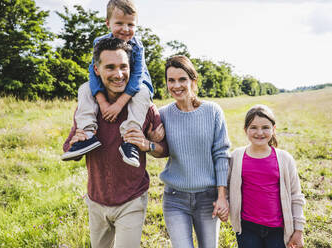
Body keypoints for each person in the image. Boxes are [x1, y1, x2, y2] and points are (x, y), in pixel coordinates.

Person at [63, 37, 167, 248]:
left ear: (131, 68)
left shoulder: (144, 107)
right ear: (97, 70)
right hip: (96, 199)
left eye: (123, 67)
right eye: (110, 67)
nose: (119, 74)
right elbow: (69, 150)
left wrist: (148, 145)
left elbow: (164, 149)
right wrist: (76, 142)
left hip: (132, 199)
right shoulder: (87, 108)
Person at [128, 55, 230, 248]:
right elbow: (161, 152)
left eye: (182, 79)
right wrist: (149, 143)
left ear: (193, 80)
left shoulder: (213, 111)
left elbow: (222, 155)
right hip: (175, 199)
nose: (176, 85)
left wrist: (222, 196)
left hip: (208, 198)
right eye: (171, 80)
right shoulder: (162, 114)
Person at [62, 0, 156, 168]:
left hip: (136, 84)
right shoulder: (99, 42)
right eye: (119, 23)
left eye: (131, 24)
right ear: (108, 23)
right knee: (84, 88)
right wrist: (103, 102)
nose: (126, 29)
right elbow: (93, 71)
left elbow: (136, 76)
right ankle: (87, 134)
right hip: (109, 86)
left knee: (142, 92)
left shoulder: (137, 46)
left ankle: (130, 140)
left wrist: (119, 104)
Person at [227, 104, 306, 248]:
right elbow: (225, 187)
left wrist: (298, 230)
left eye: (265, 127)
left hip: (278, 229)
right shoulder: (236, 156)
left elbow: (296, 196)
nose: (259, 132)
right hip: (247, 227)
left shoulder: (284, 158)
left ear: (273, 129)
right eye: (253, 127)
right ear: (245, 130)